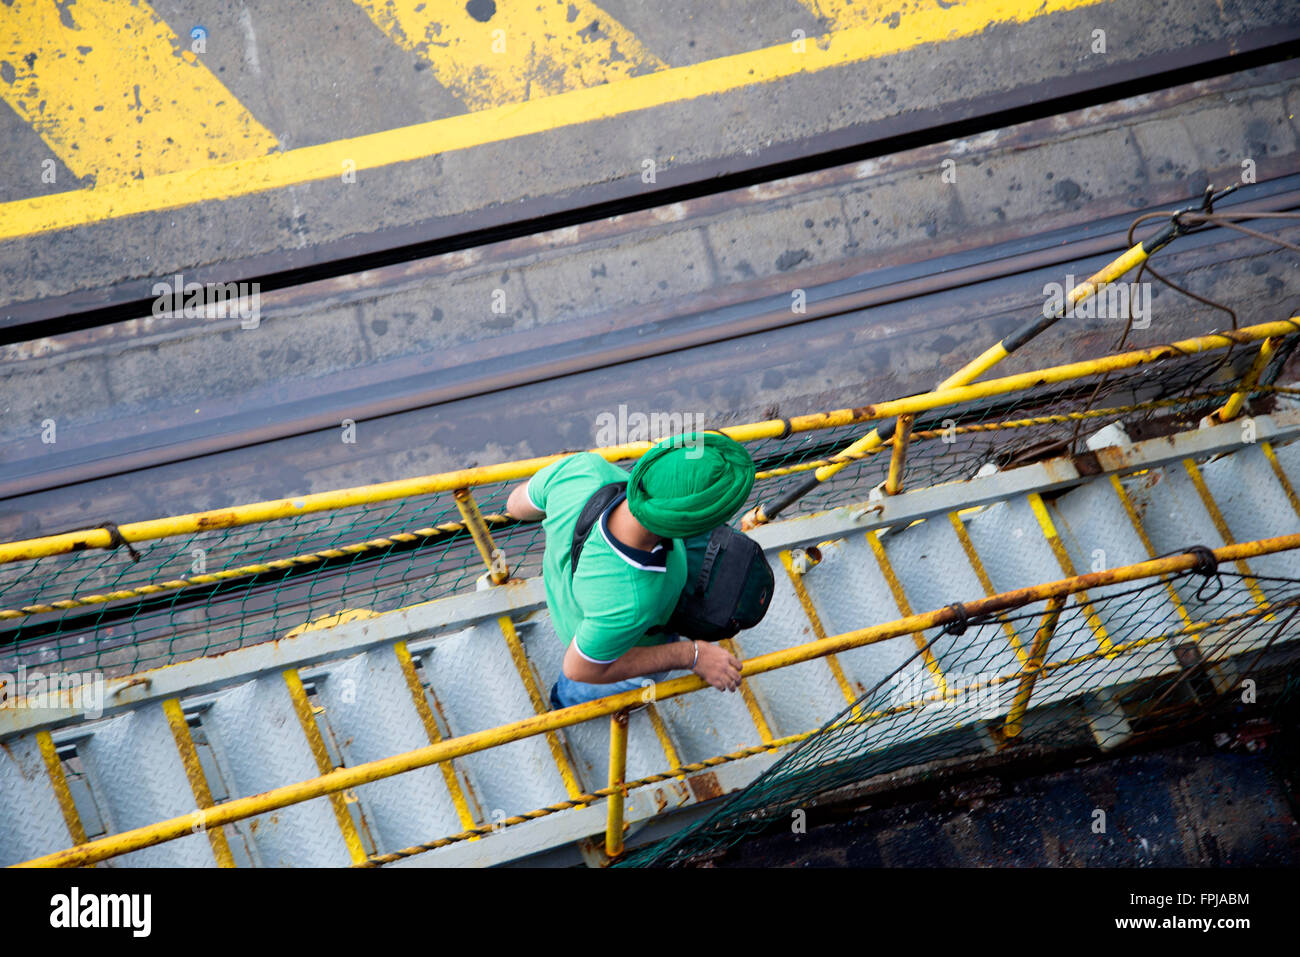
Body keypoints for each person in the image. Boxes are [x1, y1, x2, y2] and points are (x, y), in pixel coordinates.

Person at [505, 431, 755, 709]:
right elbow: (579, 669)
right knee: (582, 686)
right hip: (602, 643)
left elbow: (515, 505)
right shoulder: (631, 601)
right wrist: (692, 654)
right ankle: (563, 703)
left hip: (569, 600)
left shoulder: (582, 469)